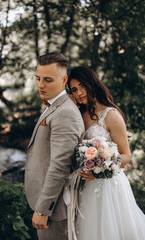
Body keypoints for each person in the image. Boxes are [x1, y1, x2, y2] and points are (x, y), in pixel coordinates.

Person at [67, 66, 145, 240]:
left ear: (91, 84)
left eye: (82, 86)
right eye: (74, 89)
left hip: (107, 187)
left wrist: (101, 169)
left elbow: (126, 155)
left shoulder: (111, 115)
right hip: (83, 187)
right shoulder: (77, 114)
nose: (79, 92)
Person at [25, 52, 85, 240]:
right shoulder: (54, 105)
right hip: (47, 202)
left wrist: (44, 209)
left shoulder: (65, 112)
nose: (41, 85)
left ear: (63, 80)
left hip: (54, 209)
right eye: (38, 78)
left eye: (48, 80)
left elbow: (60, 165)